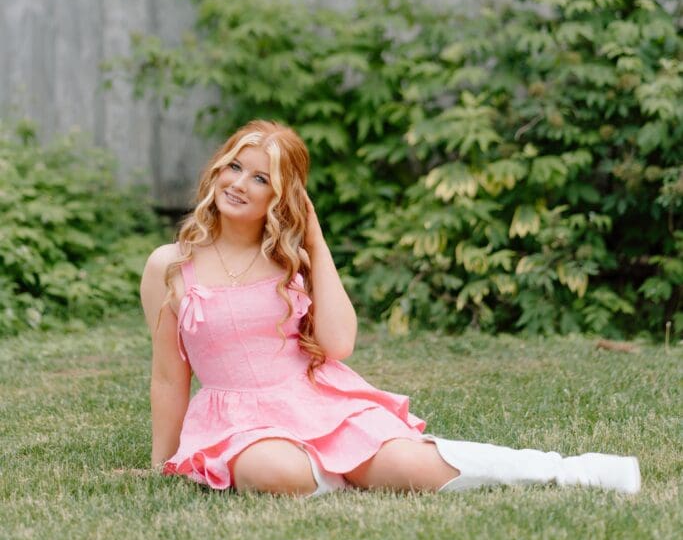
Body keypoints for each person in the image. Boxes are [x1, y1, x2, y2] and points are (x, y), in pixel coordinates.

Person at [140, 120, 641, 497]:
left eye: (260, 179)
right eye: (234, 167)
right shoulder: (170, 266)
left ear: (280, 197)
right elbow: (169, 376)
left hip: (312, 401)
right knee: (269, 471)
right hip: (235, 419)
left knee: (416, 467)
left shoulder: (287, 261)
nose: (238, 184)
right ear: (217, 168)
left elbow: (338, 344)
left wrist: (314, 241)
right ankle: (344, 473)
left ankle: (574, 469)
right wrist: (163, 461)